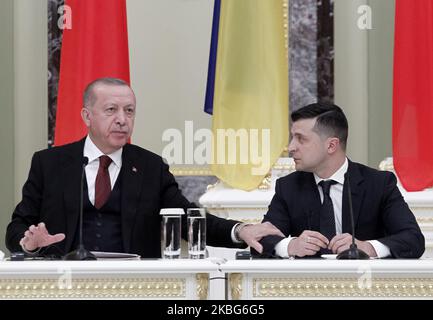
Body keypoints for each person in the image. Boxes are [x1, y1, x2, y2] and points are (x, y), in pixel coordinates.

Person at [6, 77, 283, 258]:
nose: (122, 120)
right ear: (87, 116)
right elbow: (17, 226)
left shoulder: (150, 166)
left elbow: (188, 218)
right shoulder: (50, 163)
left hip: (135, 283)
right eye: (111, 110)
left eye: (129, 111)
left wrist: (240, 230)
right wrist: (28, 243)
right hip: (64, 284)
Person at [259, 102, 424, 259]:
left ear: (331, 145)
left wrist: (367, 247)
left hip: (365, 283)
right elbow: (260, 239)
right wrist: (291, 246)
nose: (291, 147)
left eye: (301, 139)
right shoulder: (288, 187)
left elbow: (413, 239)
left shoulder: (379, 184)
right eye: (292, 138)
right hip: (307, 285)